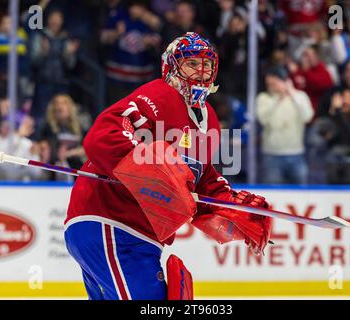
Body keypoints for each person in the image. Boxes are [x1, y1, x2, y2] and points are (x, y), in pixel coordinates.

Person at [64, 32, 273, 300]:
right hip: (112, 222)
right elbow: (104, 134)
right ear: (172, 66)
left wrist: (234, 206)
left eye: (207, 64)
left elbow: (200, 179)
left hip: (140, 236)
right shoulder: (159, 94)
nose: (201, 71)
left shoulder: (208, 119)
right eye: (192, 63)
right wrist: (150, 168)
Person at [257, 66, 314, 185]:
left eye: (274, 82)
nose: (272, 86)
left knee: (301, 194)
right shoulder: (264, 98)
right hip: (272, 155)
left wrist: (291, 92)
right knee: (272, 195)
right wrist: (278, 99)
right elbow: (262, 119)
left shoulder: (300, 96)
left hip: (296, 154)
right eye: (269, 83)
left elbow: (308, 116)